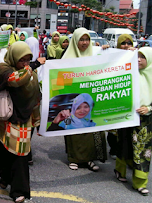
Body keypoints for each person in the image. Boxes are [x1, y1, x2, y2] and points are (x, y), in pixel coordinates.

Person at [0, 41, 41, 203]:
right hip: (2, 118)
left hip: (22, 120)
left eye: (28, 60)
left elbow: (35, 97)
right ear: (13, 57)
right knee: (3, 152)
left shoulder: (29, 73)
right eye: (22, 60)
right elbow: (14, 80)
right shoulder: (3, 68)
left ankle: (19, 190)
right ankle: (5, 178)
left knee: (20, 155)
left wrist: (37, 120)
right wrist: (32, 66)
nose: (25, 64)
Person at [62, 27, 107, 171]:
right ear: (75, 40)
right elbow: (62, 81)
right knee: (74, 130)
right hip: (74, 101)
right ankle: (73, 158)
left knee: (90, 131)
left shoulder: (94, 55)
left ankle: (90, 159)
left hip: (90, 100)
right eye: (81, 39)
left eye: (87, 39)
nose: (85, 43)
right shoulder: (67, 58)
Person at [114, 48, 152, 196]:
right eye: (137, 56)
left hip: (145, 120)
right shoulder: (128, 72)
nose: (138, 60)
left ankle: (140, 183)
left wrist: (148, 108)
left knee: (142, 150)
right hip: (127, 116)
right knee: (123, 143)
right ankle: (120, 170)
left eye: (143, 57)